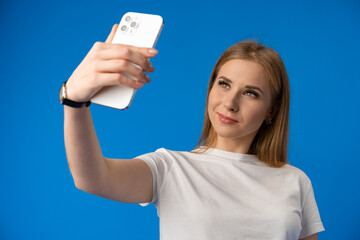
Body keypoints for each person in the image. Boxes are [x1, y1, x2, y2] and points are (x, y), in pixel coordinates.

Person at [61, 24, 325, 240]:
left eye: (250, 93)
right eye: (224, 84)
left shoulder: (295, 181)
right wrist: (75, 101)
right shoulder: (170, 168)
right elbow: (93, 178)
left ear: (271, 110)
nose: (230, 103)